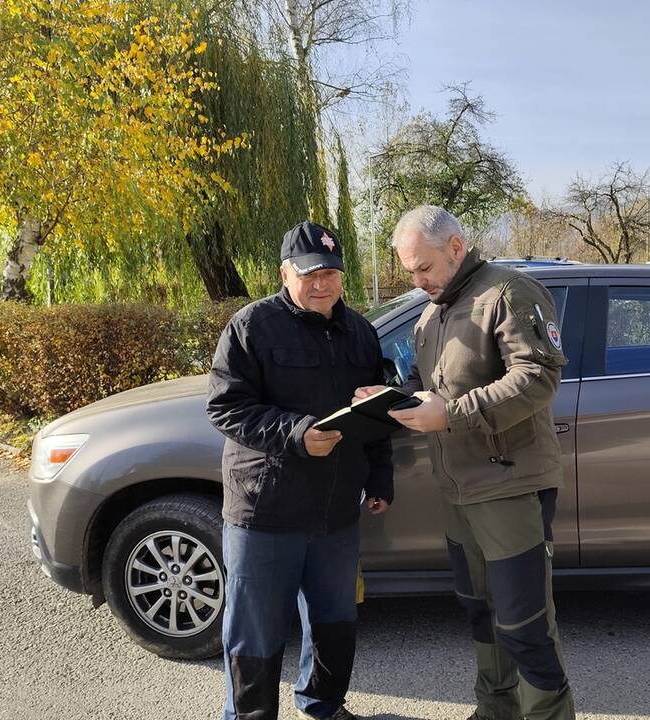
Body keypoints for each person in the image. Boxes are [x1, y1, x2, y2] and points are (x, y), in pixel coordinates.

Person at [354, 206, 575, 720]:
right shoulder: (431, 315)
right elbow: (431, 394)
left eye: (423, 267)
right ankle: (494, 711)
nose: (417, 280)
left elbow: (537, 380)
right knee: (481, 613)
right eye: (409, 270)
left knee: (525, 624)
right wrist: (390, 401)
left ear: (456, 247)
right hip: (457, 493)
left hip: (509, 486)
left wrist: (450, 414)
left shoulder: (508, 293)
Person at [207, 220, 393, 720]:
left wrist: (379, 477)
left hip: (336, 513)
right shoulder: (251, 326)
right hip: (266, 511)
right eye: (310, 273)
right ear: (285, 273)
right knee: (256, 633)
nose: (321, 284)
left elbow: (374, 414)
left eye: (331, 272)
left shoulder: (360, 332)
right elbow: (226, 408)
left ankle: (323, 707)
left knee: (335, 622)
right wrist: (296, 434)